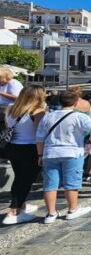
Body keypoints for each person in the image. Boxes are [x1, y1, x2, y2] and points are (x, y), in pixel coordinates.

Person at [36, 90, 91, 223]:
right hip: (72, 152)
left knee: (50, 184)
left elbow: (39, 137)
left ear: (60, 102)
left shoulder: (48, 116)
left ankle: (50, 213)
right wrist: (90, 141)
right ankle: (72, 209)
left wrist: (40, 154)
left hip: (50, 152)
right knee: (71, 183)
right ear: (76, 102)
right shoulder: (79, 116)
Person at [2, 86, 46, 225]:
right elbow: (40, 134)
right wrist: (41, 154)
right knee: (26, 181)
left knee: (19, 178)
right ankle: (14, 211)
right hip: (31, 148)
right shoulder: (38, 111)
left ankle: (21, 205)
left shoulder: (10, 108)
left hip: (13, 147)